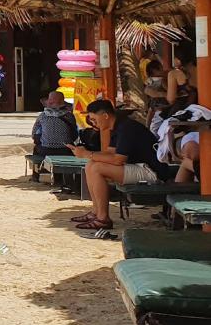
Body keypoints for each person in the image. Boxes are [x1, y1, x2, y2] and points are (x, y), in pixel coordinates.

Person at [69, 99, 176, 231]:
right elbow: (109, 154)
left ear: (106, 116)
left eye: (94, 119)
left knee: (96, 168)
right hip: (140, 167)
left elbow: (118, 160)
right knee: (91, 165)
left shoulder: (127, 128)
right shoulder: (117, 127)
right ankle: (96, 212)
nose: (92, 123)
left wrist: (87, 154)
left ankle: (103, 219)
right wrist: (86, 153)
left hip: (152, 172)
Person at [31, 91, 78, 167]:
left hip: (45, 150)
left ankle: (36, 175)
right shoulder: (69, 116)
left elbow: (33, 135)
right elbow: (75, 135)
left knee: (36, 148)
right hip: (65, 150)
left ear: (49, 102)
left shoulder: (42, 116)